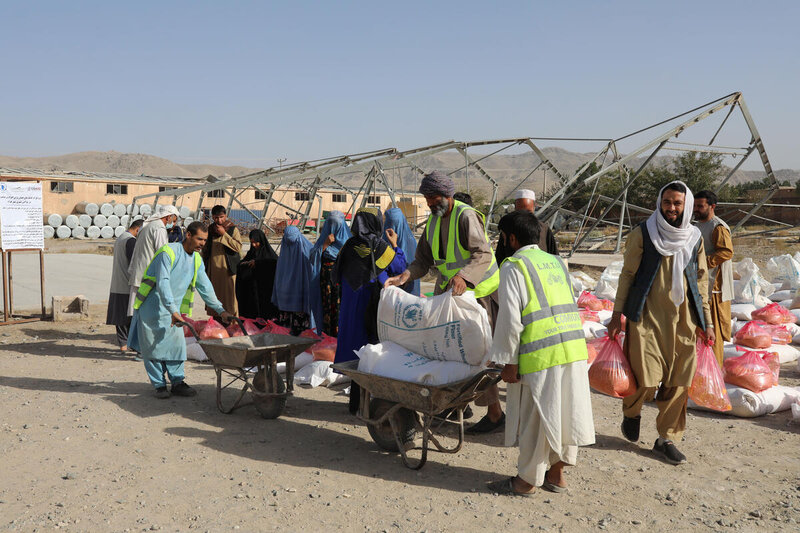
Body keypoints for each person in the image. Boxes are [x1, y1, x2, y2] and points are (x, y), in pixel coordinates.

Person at [486, 211, 595, 495]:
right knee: (565, 411)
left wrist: (508, 362)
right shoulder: (556, 262)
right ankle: (557, 474)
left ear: (511, 238)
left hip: (540, 353)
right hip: (572, 347)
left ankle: (526, 481)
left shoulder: (514, 266)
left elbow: (510, 320)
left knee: (536, 417)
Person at [385, 171, 502, 433]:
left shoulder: (465, 216)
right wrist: (405, 276)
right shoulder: (435, 221)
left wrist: (464, 277)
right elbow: (423, 260)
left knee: (478, 356)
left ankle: (495, 414)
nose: (429, 203)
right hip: (452, 296)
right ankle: (455, 406)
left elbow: (482, 253)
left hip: (478, 294)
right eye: (426, 198)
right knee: (452, 352)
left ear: (447, 195)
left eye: (433, 198)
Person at [606, 181, 714, 465]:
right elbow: (627, 275)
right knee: (644, 377)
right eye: (667, 202)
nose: (671, 208)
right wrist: (617, 315)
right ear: (659, 202)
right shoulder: (644, 233)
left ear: (686, 205)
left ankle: (666, 438)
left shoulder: (694, 238)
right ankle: (632, 411)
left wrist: (707, 321)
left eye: (677, 203)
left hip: (684, 320)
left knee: (680, 381)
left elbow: (702, 281)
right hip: (647, 318)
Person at [129, 222, 233, 398]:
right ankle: (159, 385)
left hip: (173, 310)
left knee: (176, 346)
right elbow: (163, 283)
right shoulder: (168, 252)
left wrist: (220, 309)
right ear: (188, 235)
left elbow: (205, 286)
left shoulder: (197, 259)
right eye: (199, 239)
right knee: (153, 347)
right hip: (154, 307)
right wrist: (173, 311)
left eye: (205, 240)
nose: (202, 243)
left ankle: (177, 382)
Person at [334, 208, 407, 413]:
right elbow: (400, 266)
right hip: (371, 305)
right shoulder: (378, 245)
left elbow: (337, 272)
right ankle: (370, 406)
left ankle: (355, 404)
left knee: (356, 351)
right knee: (372, 350)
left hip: (350, 305)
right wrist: (395, 244)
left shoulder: (348, 246)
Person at [693, 190, 734, 366]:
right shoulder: (696, 226)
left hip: (714, 289)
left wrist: (703, 262)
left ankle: (714, 372)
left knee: (713, 333)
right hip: (701, 285)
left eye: (700, 206)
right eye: (695, 206)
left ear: (712, 206)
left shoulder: (718, 227)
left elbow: (726, 252)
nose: (696, 209)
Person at [127, 205, 181, 316]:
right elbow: (163, 253)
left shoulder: (148, 225)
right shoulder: (159, 228)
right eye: (174, 221)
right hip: (148, 277)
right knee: (145, 312)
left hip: (140, 273)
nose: (174, 224)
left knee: (137, 311)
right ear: (168, 217)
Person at [272, 226, 321, 334]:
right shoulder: (307, 250)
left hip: (285, 298)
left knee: (288, 333)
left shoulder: (283, 254)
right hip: (301, 298)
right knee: (301, 334)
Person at [106, 219, 144, 353]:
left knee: (121, 318)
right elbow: (135, 263)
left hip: (118, 283)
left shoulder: (121, 237)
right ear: (138, 230)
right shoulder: (131, 241)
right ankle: (126, 345)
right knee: (127, 317)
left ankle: (124, 344)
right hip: (126, 284)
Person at [310, 211, 351, 335]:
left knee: (342, 309)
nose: (334, 227)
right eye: (332, 224)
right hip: (326, 285)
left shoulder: (349, 241)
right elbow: (313, 257)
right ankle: (327, 337)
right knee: (327, 309)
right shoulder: (324, 239)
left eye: (337, 224)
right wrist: (326, 244)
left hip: (342, 283)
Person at [495, 189, 558, 263]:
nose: (524, 216)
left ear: (534, 207)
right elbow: (500, 258)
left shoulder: (544, 230)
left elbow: (554, 257)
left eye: (528, 212)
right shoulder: (508, 229)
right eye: (520, 212)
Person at [202, 205, 243, 317]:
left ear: (226, 216)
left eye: (221, 217)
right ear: (212, 217)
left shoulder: (232, 229)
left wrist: (224, 234)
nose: (219, 220)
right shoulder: (210, 229)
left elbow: (238, 247)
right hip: (213, 270)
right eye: (216, 218)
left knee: (229, 297)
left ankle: (232, 320)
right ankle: (216, 322)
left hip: (227, 270)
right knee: (214, 296)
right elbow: (205, 249)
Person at [236, 229, 280, 321]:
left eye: (256, 242)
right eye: (251, 242)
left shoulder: (268, 253)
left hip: (264, 291)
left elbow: (273, 264)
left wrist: (258, 263)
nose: (254, 245)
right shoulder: (251, 253)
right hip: (252, 290)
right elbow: (242, 264)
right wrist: (244, 264)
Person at [383, 207, 420, 296]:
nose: (393, 227)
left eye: (396, 223)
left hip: (408, 286)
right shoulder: (383, 242)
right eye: (390, 222)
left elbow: (407, 266)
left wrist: (394, 245)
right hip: (389, 287)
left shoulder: (410, 241)